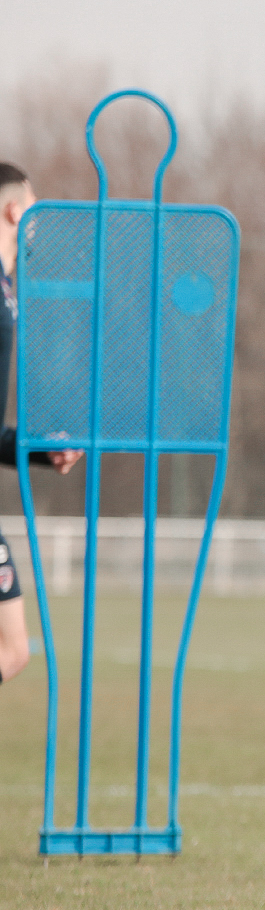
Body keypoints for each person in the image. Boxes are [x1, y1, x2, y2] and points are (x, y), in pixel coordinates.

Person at [0, 164, 83, 684]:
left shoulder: (7, 290)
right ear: (12, 209)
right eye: (34, 205)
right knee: (12, 647)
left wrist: (34, 450)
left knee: (13, 648)